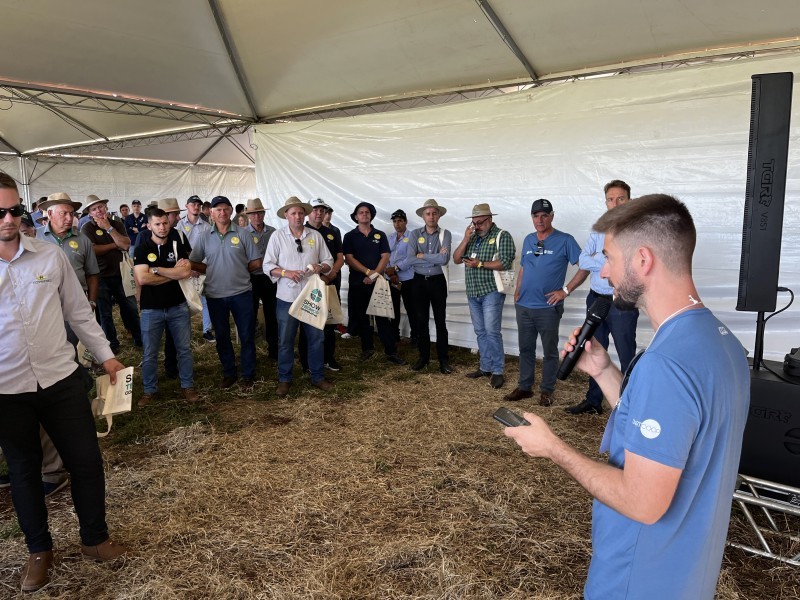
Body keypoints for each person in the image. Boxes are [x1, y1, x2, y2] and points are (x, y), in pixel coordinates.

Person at [504, 194, 750, 600]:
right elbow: (674, 433)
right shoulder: (720, 343)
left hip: (640, 576)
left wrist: (553, 448)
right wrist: (603, 372)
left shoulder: (666, 364)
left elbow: (642, 503)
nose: (603, 270)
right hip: (688, 571)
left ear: (642, 260)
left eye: (610, 257)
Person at [0, 173, 128, 592]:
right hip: (7, 389)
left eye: (14, 210)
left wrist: (106, 355)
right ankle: (40, 551)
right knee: (24, 471)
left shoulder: (48, 256)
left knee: (87, 463)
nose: (7, 219)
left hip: (60, 378)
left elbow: (78, 312)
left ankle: (95, 539)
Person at [566, 180, 639, 415]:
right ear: (605, 201)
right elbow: (582, 259)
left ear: (629, 200)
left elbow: (630, 263)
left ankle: (630, 405)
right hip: (596, 297)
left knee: (626, 352)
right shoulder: (598, 229)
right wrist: (607, 258)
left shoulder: (636, 229)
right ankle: (593, 400)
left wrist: (599, 257)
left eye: (621, 198)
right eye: (610, 199)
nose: (615, 203)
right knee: (593, 348)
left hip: (621, 300)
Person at [504, 199, 587, 406]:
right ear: (532, 217)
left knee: (549, 351)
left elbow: (585, 266)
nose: (540, 220)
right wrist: (517, 289)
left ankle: (547, 390)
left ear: (552, 216)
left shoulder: (565, 240)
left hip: (548, 307)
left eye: (544, 215)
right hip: (524, 305)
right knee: (525, 349)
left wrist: (565, 290)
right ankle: (525, 387)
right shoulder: (529, 239)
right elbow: (524, 266)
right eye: (536, 215)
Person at [263, 196, 334, 397]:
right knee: (285, 340)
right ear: (286, 215)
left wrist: (321, 267)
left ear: (305, 214)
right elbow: (267, 265)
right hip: (287, 297)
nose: (297, 216)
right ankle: (284, 379)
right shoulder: (277, 237)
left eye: (300, 213)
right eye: (293, 213)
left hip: (311, 296)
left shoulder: (315, 236)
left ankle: (317, 376)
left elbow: (328, 259)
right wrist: (286, 273)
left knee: (316, 338)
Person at [189, 195, 261, 389]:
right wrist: (211, 269)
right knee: (222, 336)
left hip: (242, 293)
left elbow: (256, 262)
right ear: (211, 213)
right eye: (217, 209)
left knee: (246, 335)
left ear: (231, 211)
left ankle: (248, 374)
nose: (222, 213)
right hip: (215, 295)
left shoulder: (243, 234)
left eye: (225, 209)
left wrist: (238, 270)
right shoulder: (204, 236)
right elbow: (194, 261)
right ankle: (229, 373)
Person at [133, 205, 199, 406]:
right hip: (151, 308)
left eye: (164, 223)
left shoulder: (177, 244)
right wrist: (172, 273)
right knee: (150, 352)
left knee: (184, 349)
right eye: (157, 224)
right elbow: (142, 279)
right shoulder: (143, 246)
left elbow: (186, 272)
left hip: (177, 306)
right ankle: (149, 390)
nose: (162, 227)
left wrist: (155, 270)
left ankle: (187, 386)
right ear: (149, 225)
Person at [453, 203, 516, 389]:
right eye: (474, 223)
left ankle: (498, 371)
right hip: (473, 291)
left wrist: (480, 264)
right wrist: (465, 239)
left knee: (491, 331)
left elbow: (504, 262)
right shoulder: (471, 237)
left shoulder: (501, 235)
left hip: (491, 292)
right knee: (480, 331)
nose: (477, 226)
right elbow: (456, 259)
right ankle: (485, 367)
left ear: (490, 220)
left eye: (480, 222)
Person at [342, 201, 405, 365]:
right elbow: (349, 258)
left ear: (371, 216)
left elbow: (385, 256)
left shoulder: (380, 235)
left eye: (367, 212)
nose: (364, 214)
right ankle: (367, 348)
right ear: (356, 217)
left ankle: (391, 352)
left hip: (377, 282)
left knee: (382, 316)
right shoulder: (349, 236)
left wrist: (375, 275)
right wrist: (367, 272)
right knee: (362, 316)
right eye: (361, 212)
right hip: (358, 281)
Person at [36, 192, 100, 347]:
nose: (69, 218)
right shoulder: (35, 238)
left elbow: (92, 274)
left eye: (72, 214)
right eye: (64, 214)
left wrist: (91, 302)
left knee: (73, 345)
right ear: (50, 214)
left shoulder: (83, 239)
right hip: (44, 305)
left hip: (76, 304)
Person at [81, 194, 142, 353]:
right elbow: (92, 250)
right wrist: (114, 245)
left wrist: (108, 228)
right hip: (99, 276)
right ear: (90, 213)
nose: (98, 211)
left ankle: (139, 338)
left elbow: (126, 244)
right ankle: (112, 344)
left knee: (130, 308)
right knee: (105, 313)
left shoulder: (116, 224)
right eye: (94, 209)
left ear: (106, 207)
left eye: (100, 207)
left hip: (121, 273)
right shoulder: (87, 228)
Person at [299, 198, 344, 372]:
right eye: (315, 210)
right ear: (309, 212)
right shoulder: (302, 231)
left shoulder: (332, 232)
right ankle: (305, 360)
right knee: (308, 320)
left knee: (329, 321)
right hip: (310, 285)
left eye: (322, 210)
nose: (319, 213)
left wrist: (331, 274)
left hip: (330, 282)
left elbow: (340, 257)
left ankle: (328, 357)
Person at [409, 199, 452, 374]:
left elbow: (444, 259)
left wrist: (421, 255)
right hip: (419, 281)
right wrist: (431, 256)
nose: (431, 216)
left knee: (441, 322)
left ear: (439, 215)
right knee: (421, 321)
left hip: (438, 282)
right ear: (423, 216)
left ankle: (443, 360)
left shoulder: (445, 234)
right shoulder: (414, 234)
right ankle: (423, 357)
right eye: (428, 213)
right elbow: (410, 259)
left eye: (434, 213)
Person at [244, 197, 279, 359]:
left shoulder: (273, 232)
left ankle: (274, 349)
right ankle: (251, 352)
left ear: (264, 214)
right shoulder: (243, 233)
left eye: (259, 213)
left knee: (272, 313)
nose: (256, 216)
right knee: (250, 315)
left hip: (270, 278)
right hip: (251, 278)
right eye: (253, 214)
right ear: (248, 216)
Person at [177, 194, 215, 342]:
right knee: (185, 302)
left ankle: (207, 330)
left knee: (207, 300)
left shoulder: (207, 227)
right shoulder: (179, 227)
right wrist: (187, 269)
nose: (196, 206)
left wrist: (201, 269)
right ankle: (184, 333)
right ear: (186, 206)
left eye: (198, 204)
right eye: (193, 204)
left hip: (202, 269)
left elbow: (209, 249)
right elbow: (179, 250)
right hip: (185, 270)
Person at [386, 209, 420, 346]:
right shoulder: (390, 237)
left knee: (411, 309)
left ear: (405, 221)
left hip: (408, 278)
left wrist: (395, 269)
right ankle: (394, 335)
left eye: (400, 220)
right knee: (393, 308)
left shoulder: (412, 236)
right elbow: (385, 256)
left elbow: (411, 258)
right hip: (391, 278)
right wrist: (391, 273)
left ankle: (415, 336)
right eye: (394, 221)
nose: (397, 224)